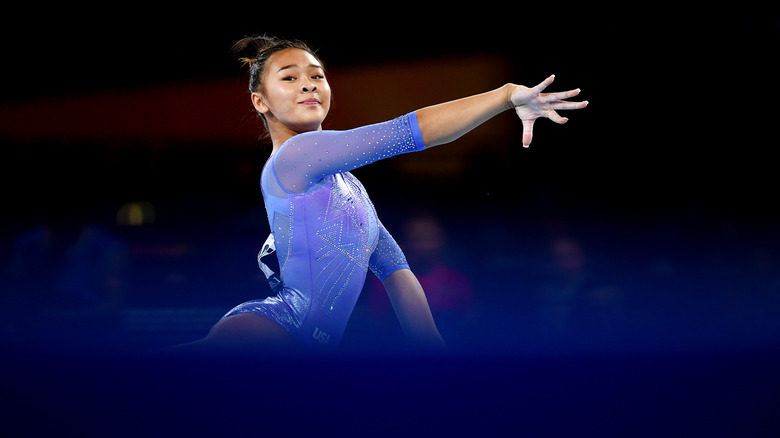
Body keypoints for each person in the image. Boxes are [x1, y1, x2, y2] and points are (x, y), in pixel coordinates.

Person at [183, 34, 587, 354]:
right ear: (261, 101)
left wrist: (434, 352)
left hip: (302, 348)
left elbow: (397, 273)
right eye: (289, 77)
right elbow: (407, 132)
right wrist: (503, 96)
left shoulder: (348, 188)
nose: (308, 83)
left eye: (317, 75)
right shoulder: (295, 156)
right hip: (271, 333)